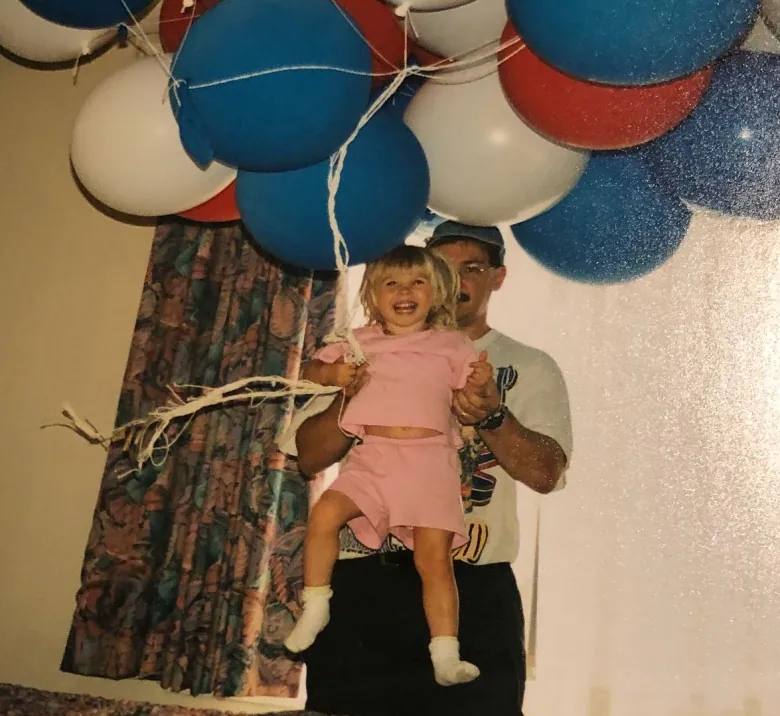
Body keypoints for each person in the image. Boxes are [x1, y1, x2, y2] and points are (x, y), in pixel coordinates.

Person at [278, 221, 573, 716]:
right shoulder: (360, 347)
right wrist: (351, 395)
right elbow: (309, 456)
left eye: (472, 269)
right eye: (442, 269)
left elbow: (546, 473)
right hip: (364, 583)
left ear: (497, 278)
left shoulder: (527, 365)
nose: (455, 282)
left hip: (470, 586)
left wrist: (491, 414)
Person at [284, 244, 487, 687]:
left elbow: (475, 393)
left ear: (437, 294)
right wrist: (333, 377)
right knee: (324, 514)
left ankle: (446, 655)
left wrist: (482, 384)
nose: (404, 291)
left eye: (417, 283)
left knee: (434, 560)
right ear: (372, 296)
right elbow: (314, 370)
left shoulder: (452, 344)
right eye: (390, 283)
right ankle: (316, 605)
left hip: (429, 464)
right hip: (372, 459)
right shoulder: (358, 341)